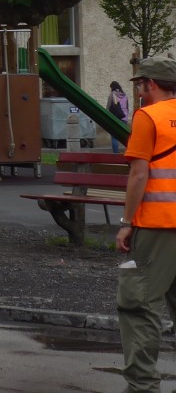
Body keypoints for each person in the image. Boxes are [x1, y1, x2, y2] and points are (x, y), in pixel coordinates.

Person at [116, 56, 176, 392]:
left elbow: (139, 174)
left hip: (157, 226)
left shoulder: (147, 116)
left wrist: (127, 222)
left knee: (139, 305)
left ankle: (143, 386)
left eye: (140, 84)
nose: (138, 89)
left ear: (150, 84)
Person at [108, 80, 131, 154]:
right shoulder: (125, 95)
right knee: (125, 136)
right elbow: (127, 107)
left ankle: (115, 154)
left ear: (112, 87)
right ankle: (129, 152)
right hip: (124, 117)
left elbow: (108, 106)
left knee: (114, 137)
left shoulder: (113, 94)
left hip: (115, 118)